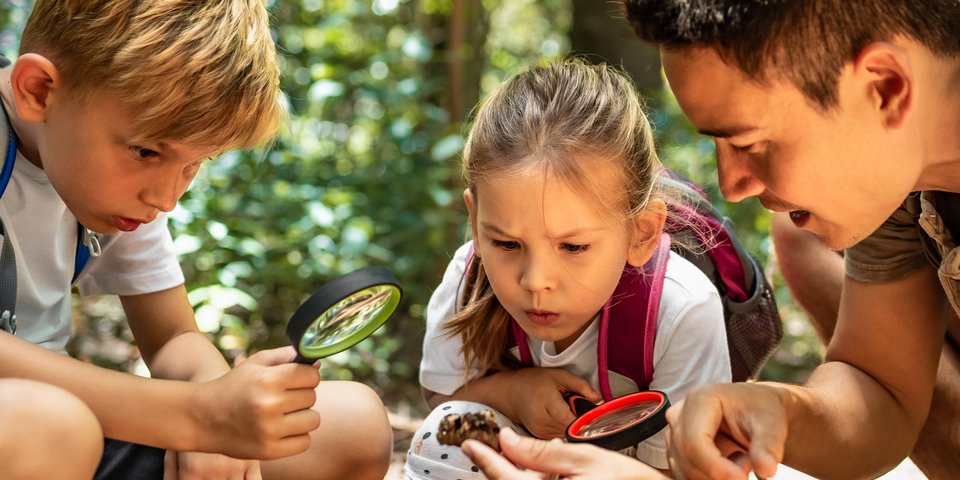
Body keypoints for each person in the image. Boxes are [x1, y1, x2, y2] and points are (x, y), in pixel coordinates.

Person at [0, 1, 392, 480]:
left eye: (196, 163)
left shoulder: (117, 189)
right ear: (38, 90)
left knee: (353, 424)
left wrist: (212, 388)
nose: (167, 198)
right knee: (50, 427)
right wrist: (192, 415)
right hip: (31, 434)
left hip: (72, 438)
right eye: (146, 151)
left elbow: (172, 337)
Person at [617, 0, 960, 478]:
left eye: (749, 143)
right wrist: (779, 412)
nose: (733, 185)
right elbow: (881, 388)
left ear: (884, 87)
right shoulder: (898, 182)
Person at [404, 59, 731, 479]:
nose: (535, 281)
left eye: (573, 246)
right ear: (475, 221)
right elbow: (440, 394)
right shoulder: (470, 278)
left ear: (641, 232)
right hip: (520, 457)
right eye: (506, 243)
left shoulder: (681, 310)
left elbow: (680, 470)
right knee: (444, 433)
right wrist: (513, 393)